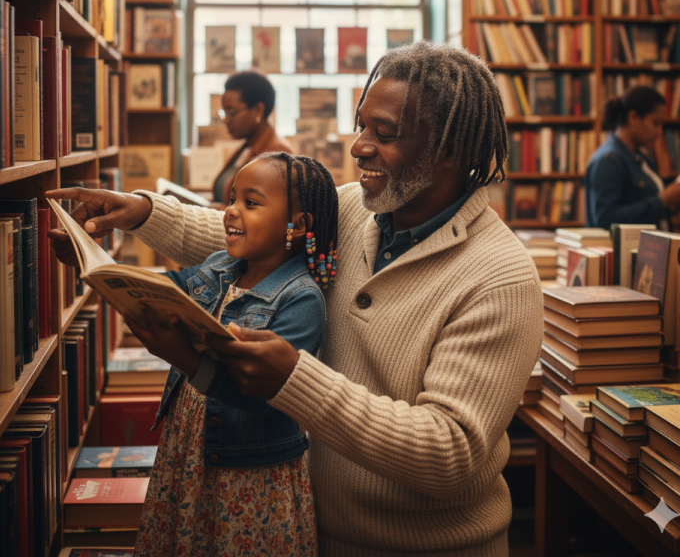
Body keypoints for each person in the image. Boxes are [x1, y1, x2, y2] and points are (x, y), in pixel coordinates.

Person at [48, 42, 543, 557]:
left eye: (385, 134)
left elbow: (449, 451)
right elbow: (252, 238)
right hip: (304, 528)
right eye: (361, 126)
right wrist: (142, 212)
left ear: (449, 150)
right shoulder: (352, 209)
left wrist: (295, 380)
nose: (359, 147)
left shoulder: (500, 279)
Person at [95, 153, 337, 556]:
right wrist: (102, 267)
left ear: (299, 225)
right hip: (190, 452)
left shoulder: (302, 299)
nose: (230, 213)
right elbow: (169, 288)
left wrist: (187, 359)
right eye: (230, 200)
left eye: (251, 203)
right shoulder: (220, 266)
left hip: (250, 476)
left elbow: (263, 396)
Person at [585, 85, 680, 230]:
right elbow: (605, 220)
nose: (660, 132)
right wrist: (663, 200)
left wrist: (676, 204)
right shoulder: (608, 160)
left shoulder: (641, 157)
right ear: (633, 118)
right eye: (655, 123)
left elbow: (646, 214)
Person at [210, 70, 294, 208]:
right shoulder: (247, 147)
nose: (226, 120)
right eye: (224, 112)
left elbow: (272, 214)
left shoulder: (277, 154)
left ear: (258, 110)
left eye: (231, 112)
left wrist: (221, 212)